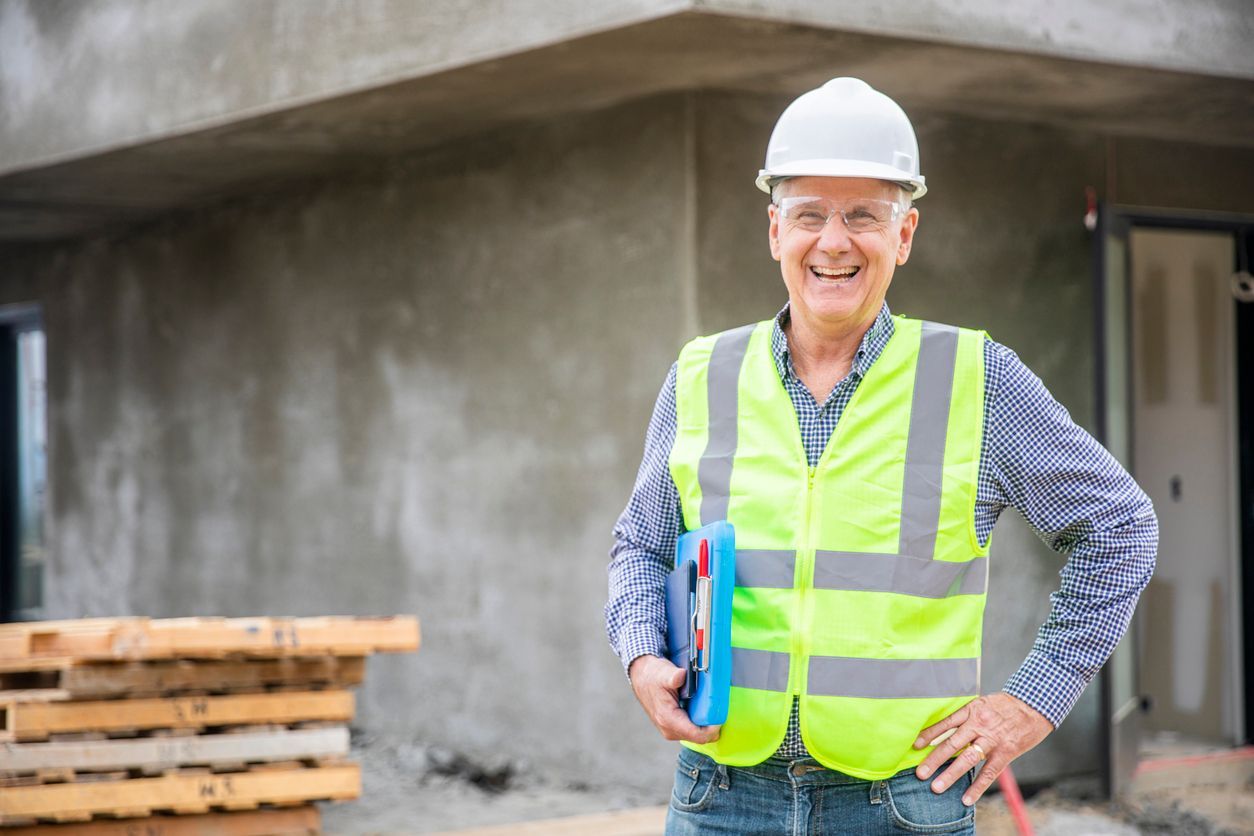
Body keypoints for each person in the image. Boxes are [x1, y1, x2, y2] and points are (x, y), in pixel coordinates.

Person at [605, 77, 1157, 834]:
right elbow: (639, 543)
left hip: (900, 803)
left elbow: (1119, 528)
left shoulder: (977, 379)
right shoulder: (701, 374)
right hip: (721, 797)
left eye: (863, 214)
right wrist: (641, 658)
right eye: (809, 215)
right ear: (775, 231)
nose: (833, 242)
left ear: (903, 234)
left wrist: (1033, 700)